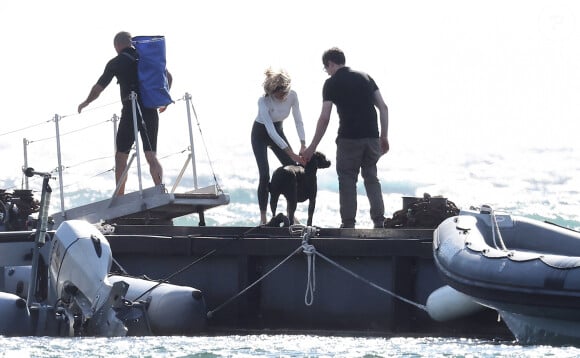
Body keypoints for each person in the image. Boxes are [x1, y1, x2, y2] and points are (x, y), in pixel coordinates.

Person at [302, 47, 389, 229]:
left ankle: (348, 225)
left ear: (331, 64)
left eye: (326, 68)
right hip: (372, 137)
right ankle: (379, 223)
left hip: (349, 139)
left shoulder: (331, 83)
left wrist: (312, 147)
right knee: (371, 178)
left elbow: (325, 118)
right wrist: (384, 136)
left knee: (348, 180)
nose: (327, 71)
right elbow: (383, 107)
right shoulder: (366, 77)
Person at [77, 31, 173, 195]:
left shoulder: (116, 62)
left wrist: (86, 102)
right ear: (131, 43)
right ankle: (160, 191)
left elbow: (99, 87)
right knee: (151, 156)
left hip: (131, 110)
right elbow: (168, 77)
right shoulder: (146, 58)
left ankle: (120, 196)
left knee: (121, 156)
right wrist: (163, 100)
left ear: (117, 46)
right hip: (150, 109)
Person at [251, 68, 306, 225]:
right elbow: (270, 131)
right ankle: (263, 218)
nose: (283, 97)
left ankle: (292, 216)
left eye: (284, 94)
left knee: (292, 170)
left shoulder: (293, 95)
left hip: (279, 131)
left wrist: (302, 144)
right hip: (260, 135)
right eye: (279, 95)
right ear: (272, 91)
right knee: (265, 175)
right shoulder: (264, 101)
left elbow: (298, 120)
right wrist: (291, 152)